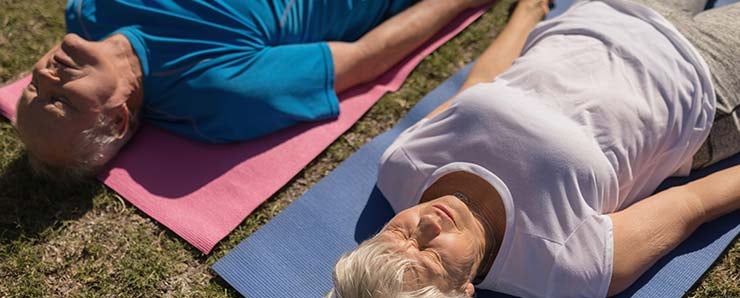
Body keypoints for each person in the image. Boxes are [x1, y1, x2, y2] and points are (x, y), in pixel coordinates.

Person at [316, 0, 740, 298]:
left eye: (396, 232)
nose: (424, 226)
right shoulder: (559, 266)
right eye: (430, 258)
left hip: (603, 14)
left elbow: (480, 87)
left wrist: (527, 12)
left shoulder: (402, 167)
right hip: (704, 81)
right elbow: (693, 203)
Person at [11, 0, 491, 182]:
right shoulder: (212, 92)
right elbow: (365, 57)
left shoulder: (87, 14)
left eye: (35, 88)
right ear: (117, 118)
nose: (50, 75)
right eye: (62, 100)